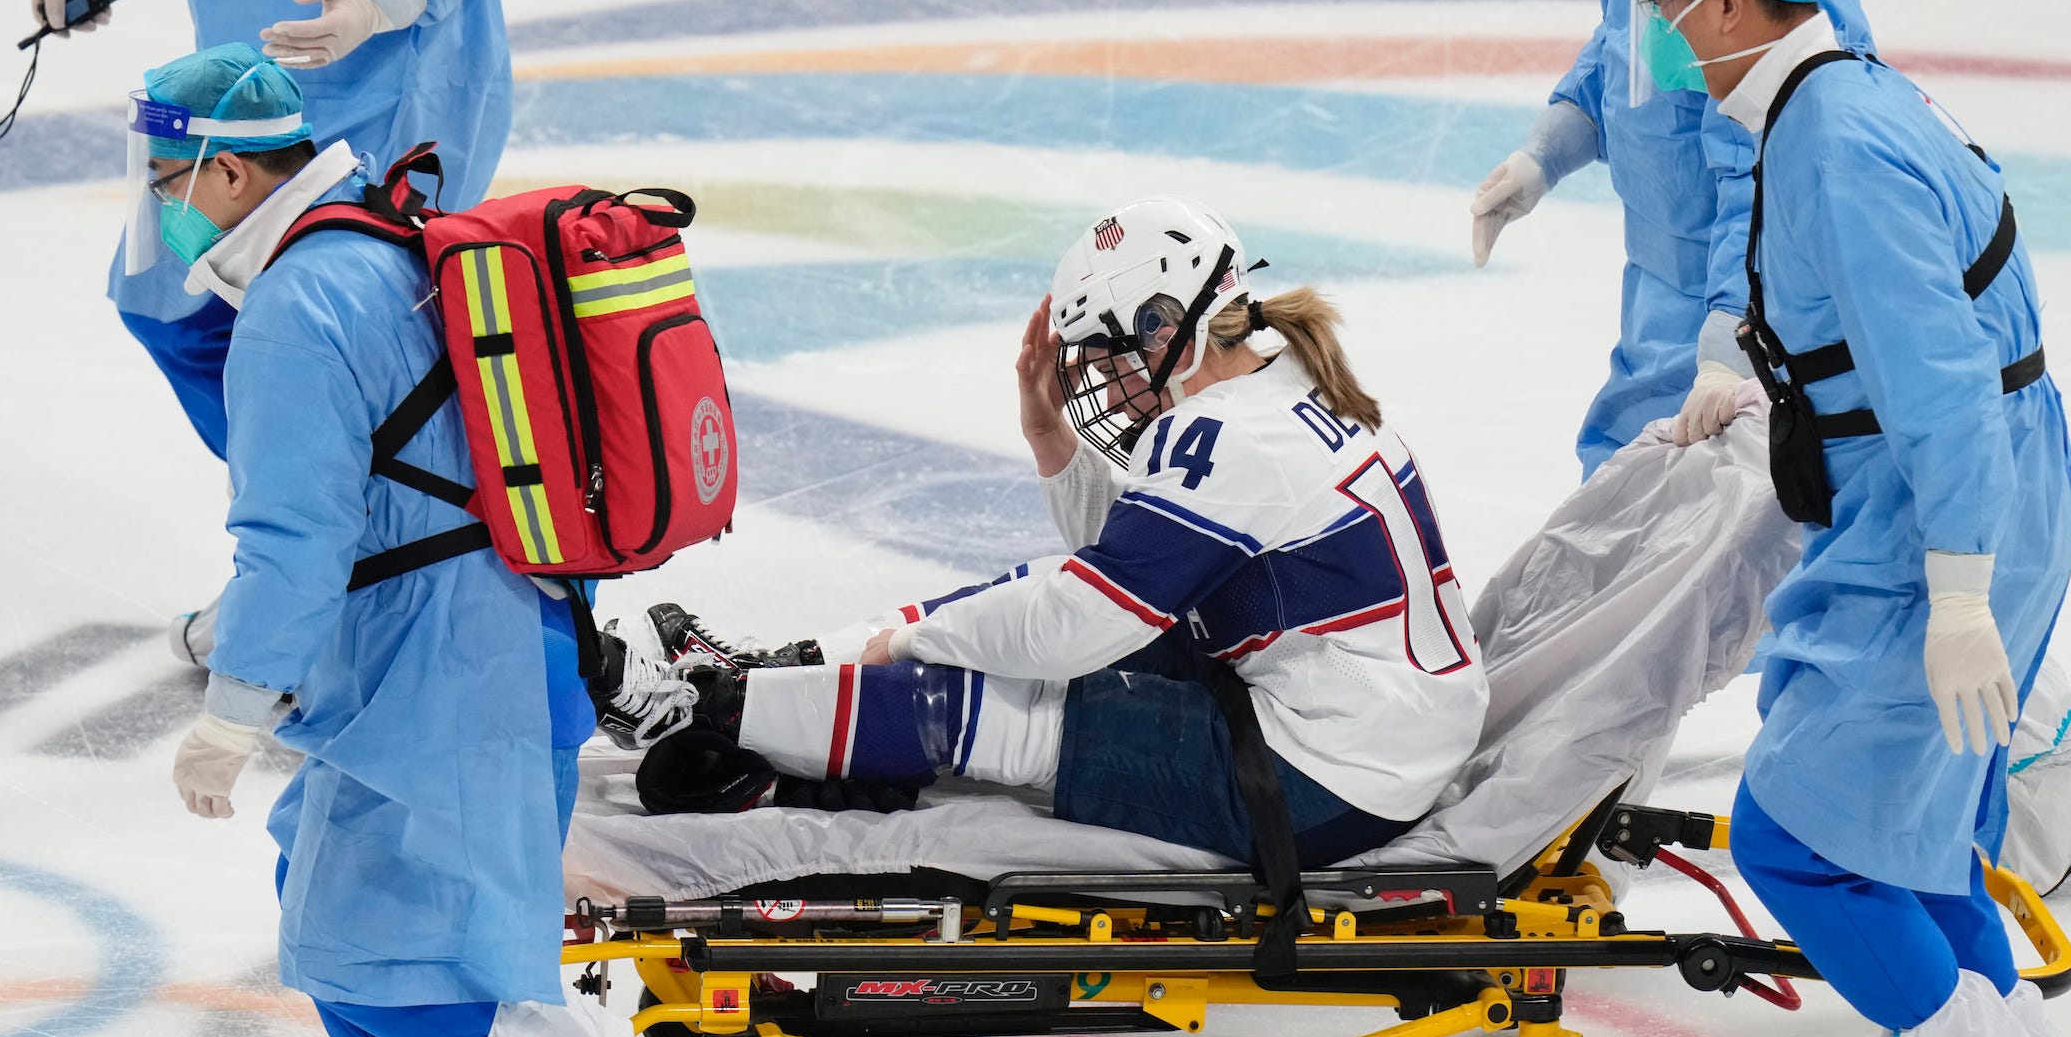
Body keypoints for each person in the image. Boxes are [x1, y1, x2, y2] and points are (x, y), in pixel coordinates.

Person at [148, 44, 711, 1037]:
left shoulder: (299, 305)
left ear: (229, 170)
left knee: (384, 938)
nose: (158, 203)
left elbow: (293, 538)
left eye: (164, 175)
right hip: (500, 641)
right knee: (352, 906)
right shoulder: (385, 247)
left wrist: (232, 709)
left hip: (442, 663)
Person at [1642, 0, 2071, 1037]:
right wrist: (1754, 367)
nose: (1666, 24)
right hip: (1950, 503)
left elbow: (1944, 379)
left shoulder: (1834, 142)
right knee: (1910, 834)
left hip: (1939, 520)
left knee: (1799, 840)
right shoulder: (1839, 99)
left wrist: (1959, 590)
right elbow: (1879, 319)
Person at [603, 199, 1489, 871]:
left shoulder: (1231, 436)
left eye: (1108, 354)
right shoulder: (1275, 382)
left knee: (1005, 712)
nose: (1101, 379)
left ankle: (711, 702)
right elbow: (1132, 566)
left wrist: (907, 640)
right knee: (1019, 603)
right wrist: (1054, 446)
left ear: (1161, 324)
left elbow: (1081, 624)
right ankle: (768, 671)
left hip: (1328, 779)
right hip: (1366, 731)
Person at [31, 0, 534, 657]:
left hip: (393, 77)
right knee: (168, 299)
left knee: (344, 351)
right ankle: (330, 559)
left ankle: (353, 587)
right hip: (243, 71)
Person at [1469, 0, 1873, 478]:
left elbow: (1772, 178)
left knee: (1698, 501)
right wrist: (1550, 147)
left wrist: (1731, 330)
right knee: (1624, 468)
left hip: (1743, 287)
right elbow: (1626, 39)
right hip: (1664, 260)